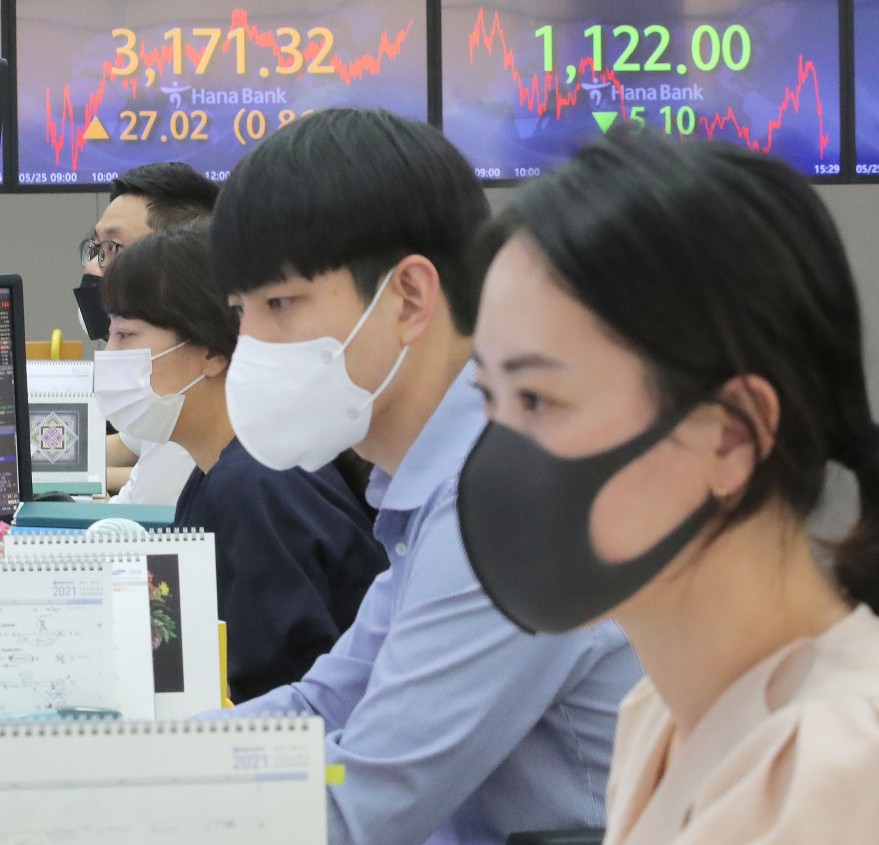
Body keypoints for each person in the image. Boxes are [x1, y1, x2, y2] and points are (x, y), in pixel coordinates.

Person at [457, 131, 879, 844]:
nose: (496, 455)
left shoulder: (854, 766)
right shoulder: (665, 710)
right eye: (488, 401)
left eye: (538, 399)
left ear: (730, 434)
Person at [207, 108, 641, 845]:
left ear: (409, 297)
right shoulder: (448, 479)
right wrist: (112, 763)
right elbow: (324, 707)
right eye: (240, 313)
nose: (251, 347)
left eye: (280, 304)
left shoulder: (512, 499)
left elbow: (364, 807)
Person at [98, 221, 388, 702]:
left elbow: (281, 698)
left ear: (212, 351)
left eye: (126, 335)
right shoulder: (221, 471)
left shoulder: (255, 486)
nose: (110, 356)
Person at [74, 162, 219, 503]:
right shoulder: (164, 400)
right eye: (96, 247)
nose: (93, 267)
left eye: (112, 248)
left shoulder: (195, 408)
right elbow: (125, 448)